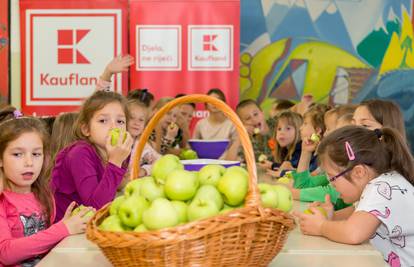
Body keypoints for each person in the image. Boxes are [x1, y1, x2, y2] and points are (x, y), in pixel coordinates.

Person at [294, 126, 414, 266]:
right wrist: (331, 215)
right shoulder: (384, 182)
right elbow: (357, 213)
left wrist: (321, 226)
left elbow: (353, 233)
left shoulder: (381, 187)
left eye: (332, 178)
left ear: (358, 172)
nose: (331, 184)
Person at [0, 117, 91, 266]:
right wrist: (62, 229)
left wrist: (64, 225)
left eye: (36, 154)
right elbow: (5, 253)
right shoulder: (2, 200)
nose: (29, 162)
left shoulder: (44, 195)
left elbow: (43, 243)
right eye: (18, 154)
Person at [50, 91, 133, 221]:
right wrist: (115, 163)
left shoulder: (120, 151)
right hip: (65, 233)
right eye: (103, 120)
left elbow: (112, 191)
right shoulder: (79, 154)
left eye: (120, 121)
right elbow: (95, 209)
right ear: (86, 129)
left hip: (89, 228)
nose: (113, 127)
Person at [193, 89, 237, 158]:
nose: (214, 103)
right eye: (211, 101)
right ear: (206, 104)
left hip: (227, 162)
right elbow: (194, 148)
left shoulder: (232, 124)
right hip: (205, 163)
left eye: (218, 100)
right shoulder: (200, 124)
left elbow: (237, 148)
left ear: (224, 104)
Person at [260, 110, 303, 177]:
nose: (281, 132)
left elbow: (290, 168)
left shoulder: (300, 149)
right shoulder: (285, 150)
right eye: (279, 129)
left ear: (299, 131)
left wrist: (272, 165)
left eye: (288, 128)